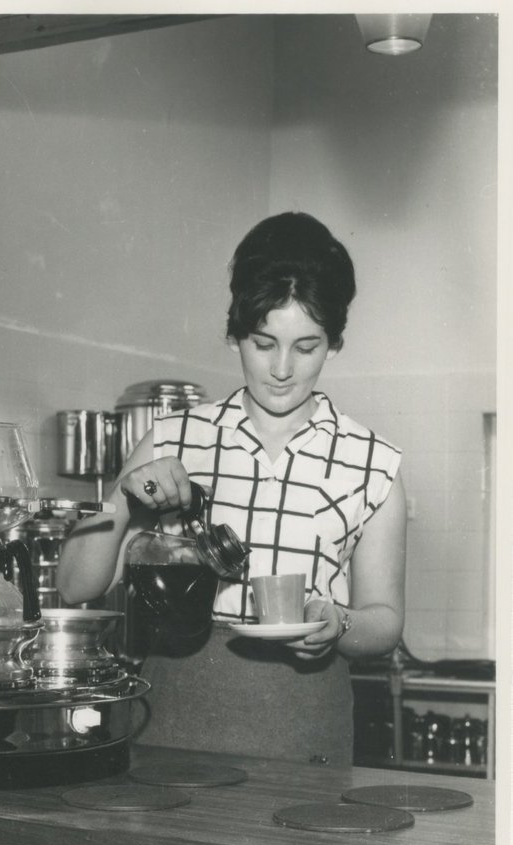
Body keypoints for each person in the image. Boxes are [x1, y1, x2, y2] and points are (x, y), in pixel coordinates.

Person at [57, 212, 407, 764]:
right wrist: (122, 500)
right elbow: (75, 586)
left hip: (308, 731)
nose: (283, 369)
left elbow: (384, 620)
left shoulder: (372, 463)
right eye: (264, 343)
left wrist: (338, 623)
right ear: (234, 334)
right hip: (175, 719)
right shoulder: (175, 436)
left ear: (335, 344)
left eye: (306, 347)